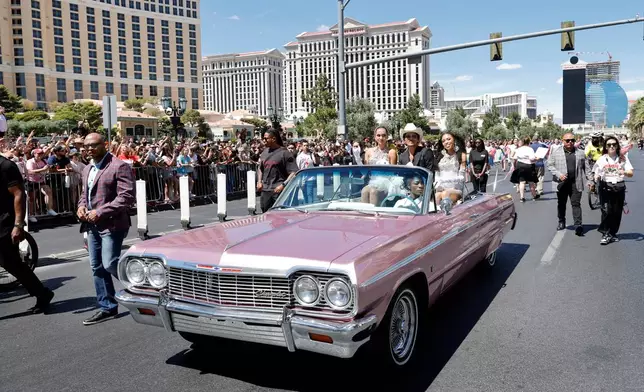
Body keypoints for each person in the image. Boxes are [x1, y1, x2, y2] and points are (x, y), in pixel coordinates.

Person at [77, 133, 136, 325]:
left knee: (110, 263)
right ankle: (107, 307)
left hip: (112, 223)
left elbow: (126, 197)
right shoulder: (87, 168)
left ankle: (142, 285)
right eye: (86, 146)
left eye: (94, 145)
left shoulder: (119, 166)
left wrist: (101, 211)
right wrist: (81, 206)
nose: (89, 149)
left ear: (105, 145)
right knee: (97, 267)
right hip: (92, 224)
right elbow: (85, 194)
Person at [0, 154, 54, 313]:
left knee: (11, 263)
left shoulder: (6, 166)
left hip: (4, 221)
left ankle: (42, 293)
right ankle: (42, 293)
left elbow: (18, 194)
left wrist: (18, 224)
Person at [593, 136, 634, 245]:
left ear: (617, 146)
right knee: (607, 211)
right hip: (605, 187)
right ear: (605, 147)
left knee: (617, 212)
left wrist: (623, 172)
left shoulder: (622, 159)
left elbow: (630, 173)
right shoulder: (602, 159)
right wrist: (596, 177)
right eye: (609, 145)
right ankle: (605, 233)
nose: (611, 146)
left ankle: (613, 233)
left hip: (619, 188)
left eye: (614, 144)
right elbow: (596, 172)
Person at [547, 132, 588, 235]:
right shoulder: (556, 152)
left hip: (576, 182)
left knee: (576, 204)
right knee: (561, 204)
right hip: (561, 183)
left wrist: (591, 180)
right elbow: (550, 165)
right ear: (562, 141)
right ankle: (561, 221)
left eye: (572, 140)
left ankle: (578, 225)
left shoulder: (581, 153)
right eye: (567, 140)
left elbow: (586, 168)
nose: (570, 142)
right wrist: (558, 174)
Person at [256, 129, 298, 213]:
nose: (264, 141)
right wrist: (259, 181)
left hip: (279, 191)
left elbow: (294, 172)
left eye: (266, 138)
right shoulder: (264, 152)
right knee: (265, 214)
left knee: (280, 216)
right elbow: (260, 168)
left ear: (274, 139)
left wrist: (283, 185)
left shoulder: (285, 153)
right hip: (266, 190)